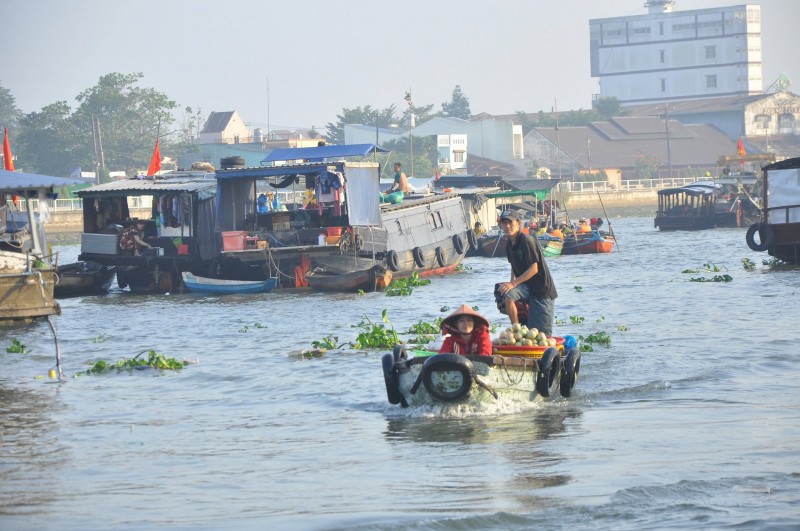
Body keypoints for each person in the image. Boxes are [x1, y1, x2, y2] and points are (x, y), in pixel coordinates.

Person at [495, 209, 558, 335]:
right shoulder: (509, 243)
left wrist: (513, 284)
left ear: (518, 223)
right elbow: (513, 265)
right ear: (501, 225)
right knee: (505, 293)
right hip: (526, 286)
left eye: (510, 223)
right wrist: (511, 283)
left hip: (541, 291)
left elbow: (534, 269)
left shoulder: (526, 240)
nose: (507, 226)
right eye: (504, 223)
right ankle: (516, 329)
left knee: (541, 335)